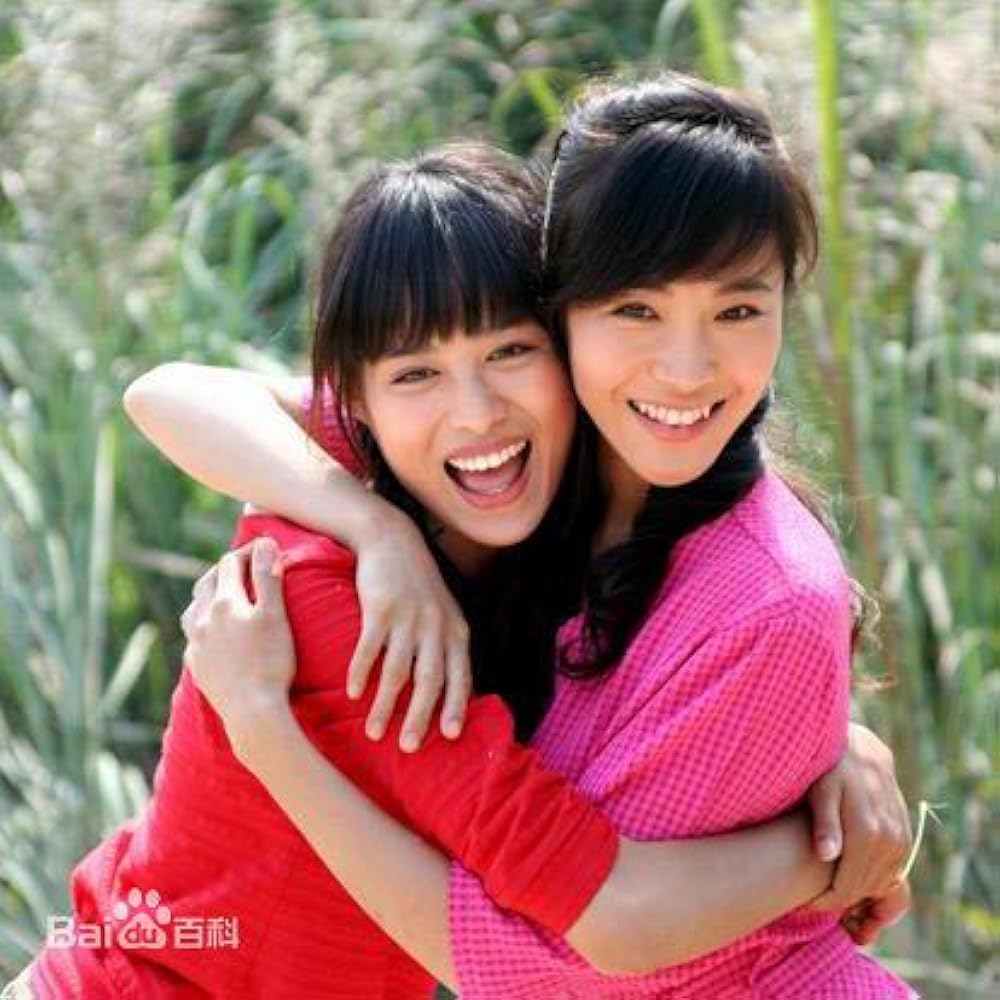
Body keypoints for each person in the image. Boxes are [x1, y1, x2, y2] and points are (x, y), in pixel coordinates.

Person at [10, 140, 908, 1000]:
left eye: (510, 351)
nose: (475, 414)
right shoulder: (332, 602)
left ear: (566, 349)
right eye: (417, 375)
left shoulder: (558, 509)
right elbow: (606, 911)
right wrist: (825, 855)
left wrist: (832, 747)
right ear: (356, 403)